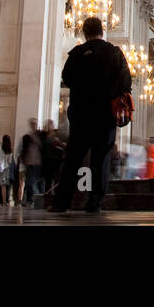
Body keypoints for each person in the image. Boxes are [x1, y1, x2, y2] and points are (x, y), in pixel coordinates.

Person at [49, 16, 131, 214]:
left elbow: (66, 77)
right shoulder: (114, 53)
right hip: (105, 115)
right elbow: (126, 81)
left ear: (85, 33)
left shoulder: (77, 53)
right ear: (102, 31)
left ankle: (61, 202)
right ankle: (94, 203)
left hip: (81, 114)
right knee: (100, 159)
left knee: (73, 159)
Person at [20, 118, 43, 206]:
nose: (34, 126)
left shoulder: (40, 136)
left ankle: (37, 200)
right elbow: (23, 149)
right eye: (33, 124)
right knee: (30, 182)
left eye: (35, 124)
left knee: (36, 182)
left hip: (38, 162)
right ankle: (30, 200)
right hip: (30, 162)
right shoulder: (27, 137)